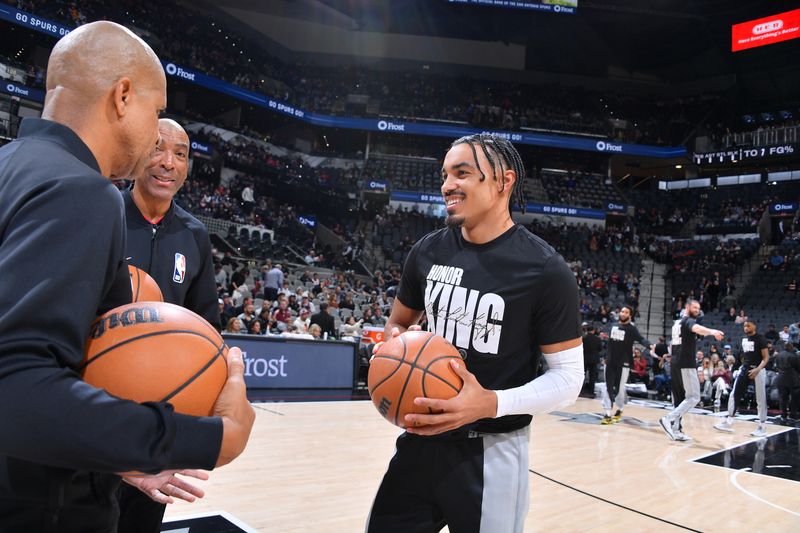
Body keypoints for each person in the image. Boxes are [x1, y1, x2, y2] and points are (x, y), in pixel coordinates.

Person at [0, 21, 254, 532]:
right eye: (155, 111)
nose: (155, 132)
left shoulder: (11, 164)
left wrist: (116, 454)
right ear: (122, 97)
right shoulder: (83, 192)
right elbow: (16, 388)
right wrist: (211, 438)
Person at [367, 134, 583, 532]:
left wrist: (489, 403)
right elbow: (397, 324)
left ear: (503, 181)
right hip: (419, 442)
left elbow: (569, 379)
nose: (448, 184)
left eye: (462, 173)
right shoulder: (428, 252)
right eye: (445, 174)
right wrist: (393, 355)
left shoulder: (546, 270)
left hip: (492, 450)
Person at [118, 119, 222, 533]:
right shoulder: (104, 211)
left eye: (180, 154)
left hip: (159, 416)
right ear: (138, 152)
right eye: (158, 148)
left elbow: (207, 329)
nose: (168, 163)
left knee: (141, 521)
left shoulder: (195, 235)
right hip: (96, 404)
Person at [659, 300, 723, 442]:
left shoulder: (677, 323)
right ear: (687, 308)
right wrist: (712, 332)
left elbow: (673, 343)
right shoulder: (688, 321)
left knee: (680, 398)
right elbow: (697, 328)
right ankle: (668, 419)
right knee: (694, 397)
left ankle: (676, 430)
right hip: (685, 363)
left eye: (699, 308)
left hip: (675, 362)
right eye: (694, 307)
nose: (697, 310)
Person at [714, 321, 770, 437]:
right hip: (745, 369)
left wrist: (757, 369)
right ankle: (729, 421)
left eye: (748, 325)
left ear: (754, 326)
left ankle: (762, 426)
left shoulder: (760, 338)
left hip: (758, 370)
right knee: (734, 394)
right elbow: (743, 356)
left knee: (760, 398)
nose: (746, 327)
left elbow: (766, 358)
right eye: (744, 326)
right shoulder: (743, 339)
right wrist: (740, 367)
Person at [600, 305, 654, 424]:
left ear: (630, 315)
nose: (623, 313)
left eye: (626, 312)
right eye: (622, 311)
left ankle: (620, 408)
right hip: (610, 361)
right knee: (608, 386)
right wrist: (605, 356)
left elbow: (641, 339)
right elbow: (609, 343)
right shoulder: (613, 325)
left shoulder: (631, 329)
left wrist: (650, 345)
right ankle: (607, 413)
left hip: (623, 362)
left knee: (619, 388)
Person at [774, 343, 800, 424]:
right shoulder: (794, 356)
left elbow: (776, 366)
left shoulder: (778, 355)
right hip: (792, 379)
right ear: (791, 347)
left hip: (780, 378)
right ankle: (793, 416)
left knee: (782, 398)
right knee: (794, 399)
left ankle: (783, 415)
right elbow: (798, 368)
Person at [582, 324, 602, 396]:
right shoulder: (598, 339)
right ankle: (591, 391)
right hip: (594, 360)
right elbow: (600, 349)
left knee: (582, 375)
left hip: (585, 359)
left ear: (587, 330)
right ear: (593, 331)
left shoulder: (583, 338)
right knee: (592, 376)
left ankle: (581, 391)